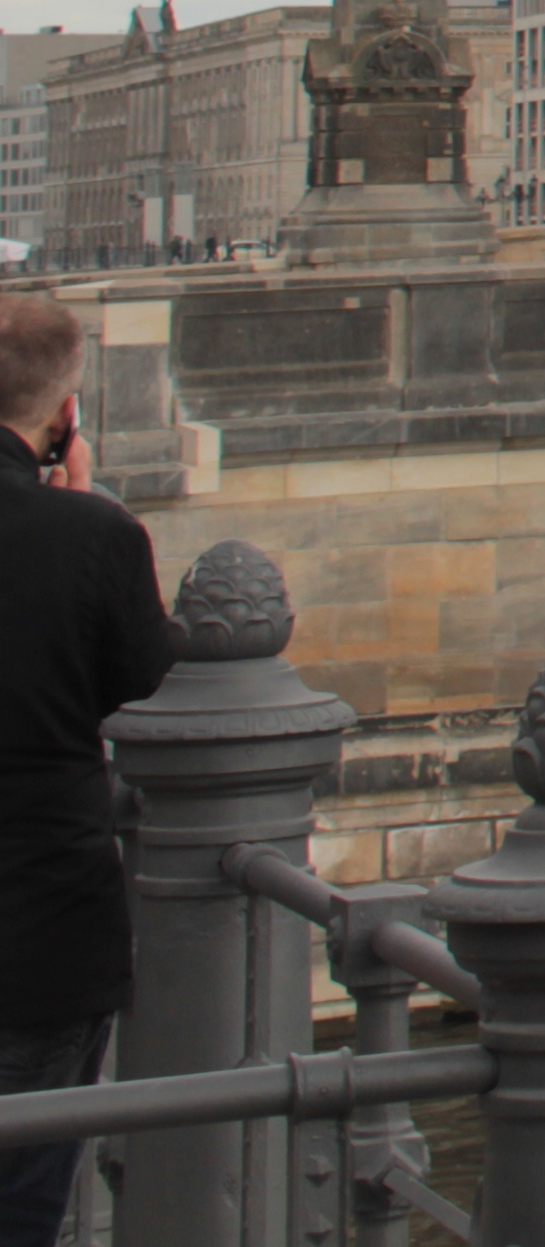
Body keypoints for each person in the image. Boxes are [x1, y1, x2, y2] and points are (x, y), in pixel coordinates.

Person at [0, 289, 177, 1247]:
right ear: (66, 414)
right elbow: (150, 697)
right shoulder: (97, 538)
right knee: (22, 1198)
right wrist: (79, 513)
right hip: (41, 932)